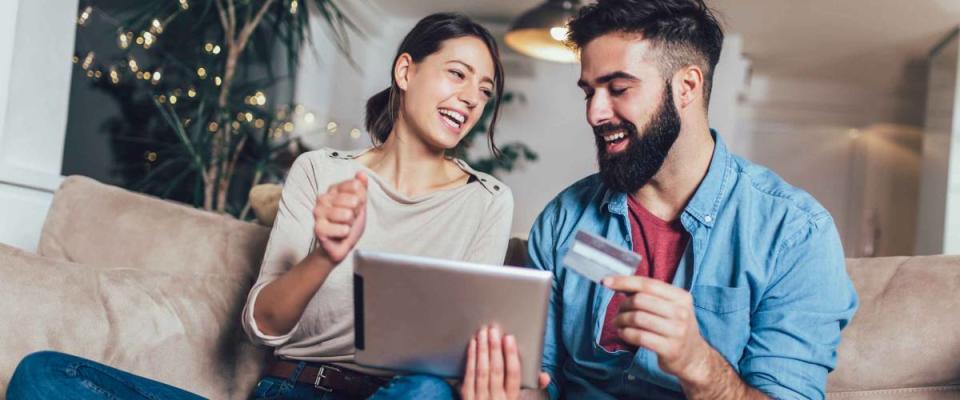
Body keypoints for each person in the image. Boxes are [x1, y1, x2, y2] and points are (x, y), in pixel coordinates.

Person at [7, 12, 530, 400]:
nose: (470, 98)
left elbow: (464, 349)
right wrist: (325, 255)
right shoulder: (320, 171)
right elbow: (261, 325)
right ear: (405, 71)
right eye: (457, 74)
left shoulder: (485, 202)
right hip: (292, 388)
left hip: (396, 394)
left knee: (428, 392)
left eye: (484, 91)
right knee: (45, 373)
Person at [524, 1, 859, 399]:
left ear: (687, 86)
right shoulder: (564, 221)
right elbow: (539, 378)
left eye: (618, 89)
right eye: (589, 93)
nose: (595, 113)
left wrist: (698, 363)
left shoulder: (795, 234)